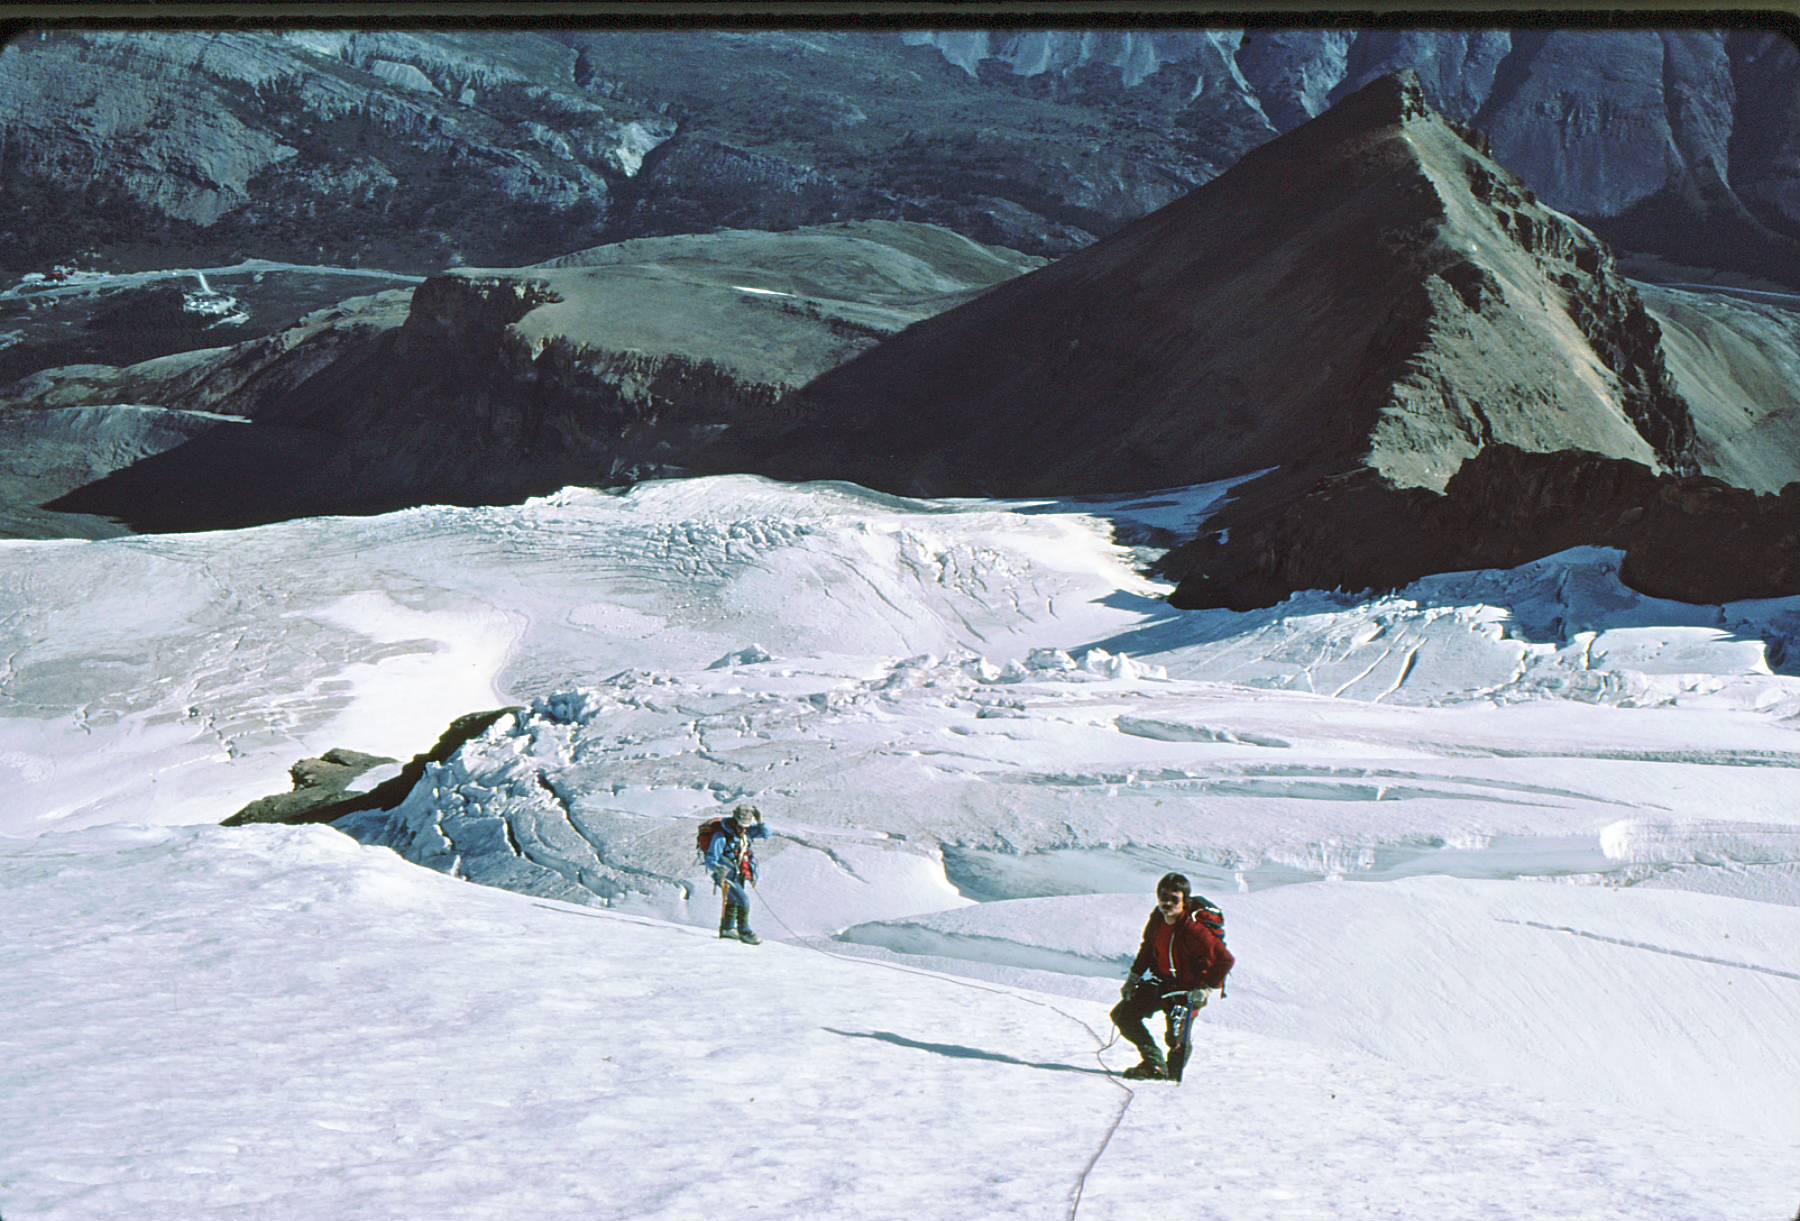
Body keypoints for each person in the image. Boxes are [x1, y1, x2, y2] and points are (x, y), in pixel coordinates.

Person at [1110, 872, 1234, 1082]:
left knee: (1176, 1039)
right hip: (1163, 984)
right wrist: (1133, 979)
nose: (1166, 903)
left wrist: (1205, 989)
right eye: (1163, 897)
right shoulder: (1158, 919)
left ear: (1184, 901)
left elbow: (1225, 959)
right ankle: (1154, 1065)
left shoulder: (1193, 930)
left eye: (1173, 899)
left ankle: (1170, 1083)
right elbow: (1148, 949)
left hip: (1188, 991)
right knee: (1124, 1015)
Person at [705, 804, 769, 944]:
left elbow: (766, 834)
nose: (744, 828)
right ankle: (744, 931)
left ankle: (727, 929)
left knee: (733, 900)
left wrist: (760, 822)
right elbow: (710, 858)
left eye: (746, 825)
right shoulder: (721, 836)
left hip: (738, 874)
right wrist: (718, 868)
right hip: (725, 875)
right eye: (742, 825)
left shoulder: (746, 833)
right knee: (743, 900)